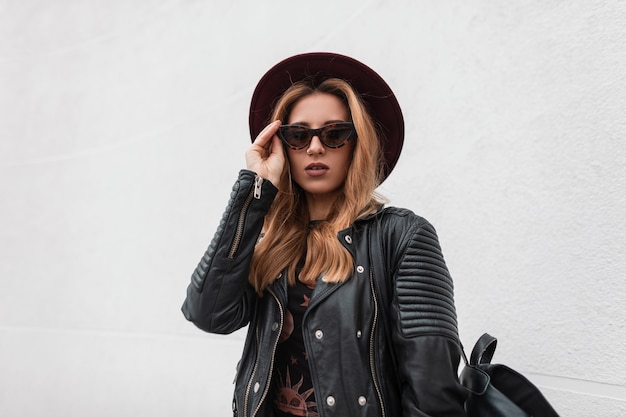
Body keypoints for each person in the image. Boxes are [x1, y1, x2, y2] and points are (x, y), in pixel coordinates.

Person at [182, 52, 467, 417]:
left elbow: (433, 392)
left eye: (334, 134)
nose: (315, 147)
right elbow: (207, 313)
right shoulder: (271, 242)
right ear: (282, 145)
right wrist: (254, 193)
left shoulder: (403, 237)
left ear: (356, 144)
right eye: (298, 135)